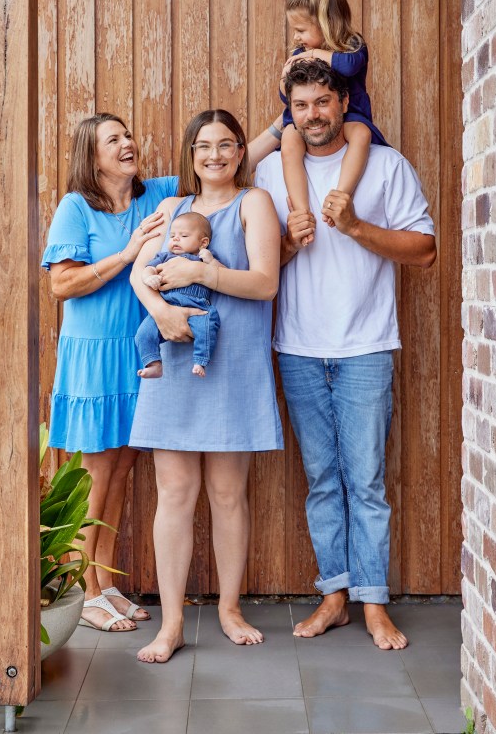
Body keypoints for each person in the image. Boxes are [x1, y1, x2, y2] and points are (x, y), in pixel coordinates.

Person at [255, 58, 436, 650]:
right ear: (291, 108)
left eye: (322, 103)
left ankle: (374, 603)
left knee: (367, 483)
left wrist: (356, 226)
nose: (312, 115)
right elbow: (259, 264)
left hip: (365, 348)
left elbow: (425, 250)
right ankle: (335, 597)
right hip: (298, 349)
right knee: (323, 481)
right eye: (301, 105)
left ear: (343, 103)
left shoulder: (384, 166)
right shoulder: (271, 174)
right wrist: (288, 241)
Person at [128, 109, 283, 663]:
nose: (213, 155)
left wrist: (201, 274)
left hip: (232, 363)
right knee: (174, 492)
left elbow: (265, 283)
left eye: (224, 145)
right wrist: (162, 312)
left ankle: (229, 609)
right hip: (174, 364)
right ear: (191, 156)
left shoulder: (255, 203)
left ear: (241, 152)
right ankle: (170, 625)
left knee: (226, 493)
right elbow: (138, 274)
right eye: (202, 146)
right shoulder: (172, 209)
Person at [41, 113, 178, 632]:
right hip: (93, 356)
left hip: (135, 354)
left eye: (128, 135)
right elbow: (62, 285)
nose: (128, 144)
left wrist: (283, 124)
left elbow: (227, 159)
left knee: (122, 471)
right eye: (113, 140)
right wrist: (126, 254)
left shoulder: (155, 194)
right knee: (95, 475)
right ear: (90, 156)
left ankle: (104, 579)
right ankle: (84, 591)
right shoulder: (76, 208)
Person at [263, 0, 388, 245]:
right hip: (300, 128)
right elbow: (285, 94)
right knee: (289, 142)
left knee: (361, 135)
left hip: (350, 116)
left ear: (326, 25)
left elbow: (350, 66)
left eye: (301, 30)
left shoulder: (350, 46)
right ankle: (300, 209)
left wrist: (319, 54)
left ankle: (340, 196)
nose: (295, 37)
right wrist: (284, 79)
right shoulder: (300, 53)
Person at [135, 211, 221, 379]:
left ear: (203, 242)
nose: (175, 239)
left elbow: (222, 274)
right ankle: (153, 363)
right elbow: (148, 268)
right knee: (143, 333)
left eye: (183, 235)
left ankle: (200, 360)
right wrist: (149, 277)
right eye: (172, 235)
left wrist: (211, 261)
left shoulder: (204, 258)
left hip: (198, 306)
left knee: (207, 327)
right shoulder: (165, 256)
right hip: (167, 303)